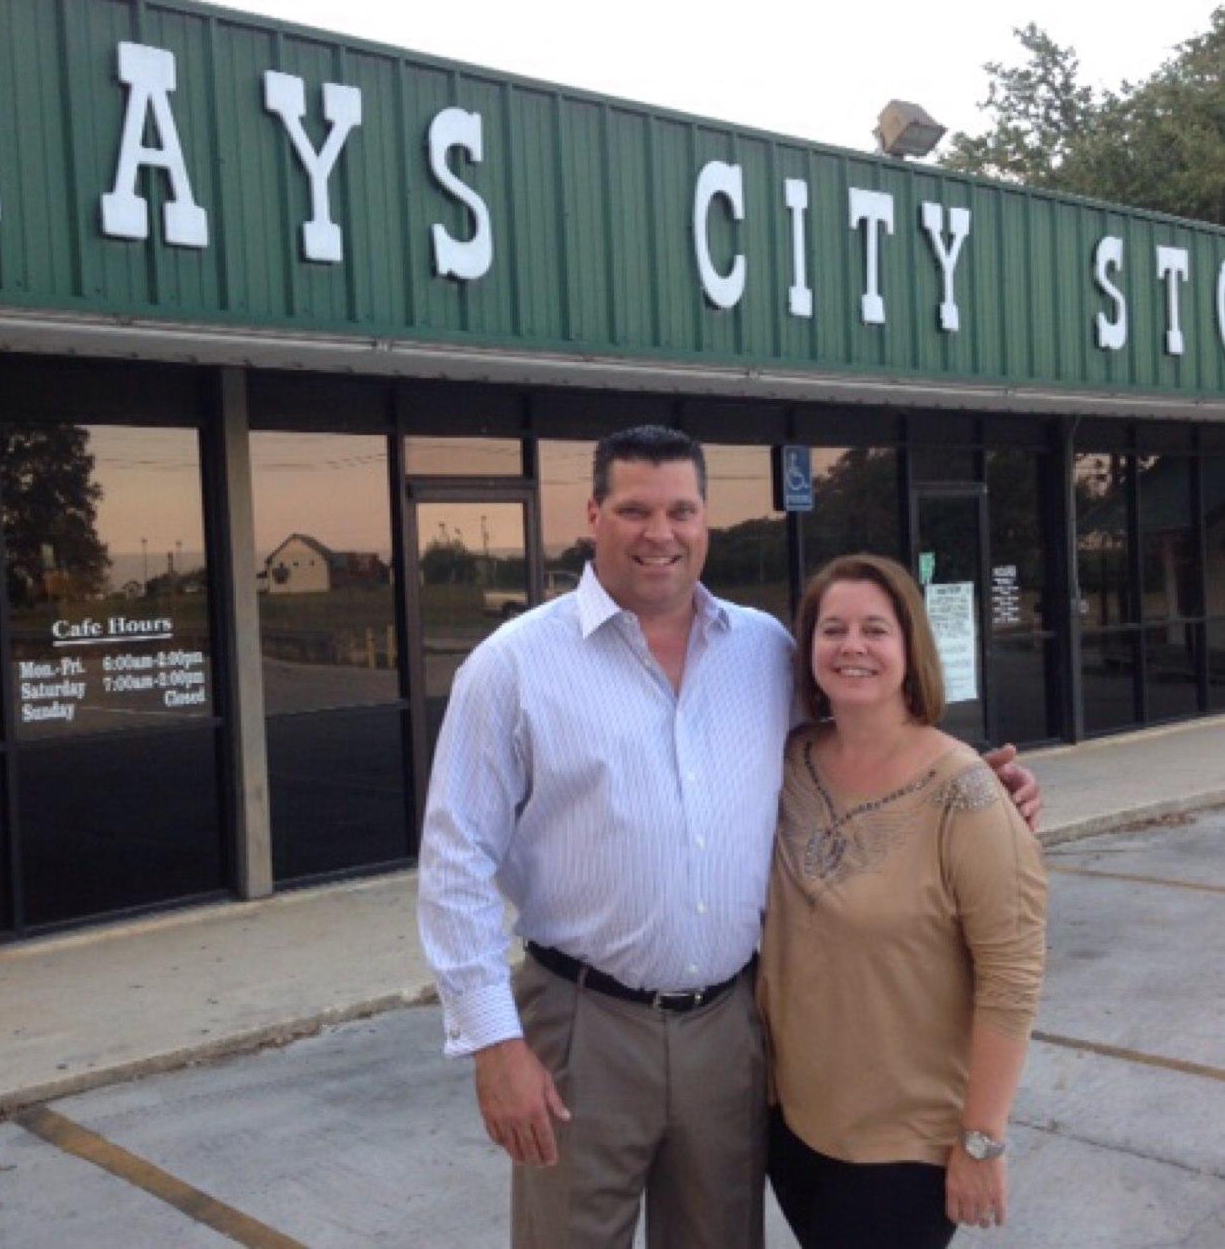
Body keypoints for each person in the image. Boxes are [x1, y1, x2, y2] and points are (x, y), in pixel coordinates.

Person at [417, 427, 1041, 1249]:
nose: (659, 532)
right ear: (593, 513)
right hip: (581, 1028)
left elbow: (865, 742)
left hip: (730, 1030)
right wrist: (495, 1044)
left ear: (706, 518)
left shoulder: (764, 651)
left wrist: (977, 788)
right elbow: (454, 865)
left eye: (681, 509)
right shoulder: (514, 668)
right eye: (635, 508)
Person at [757, 553, 1048, 1249]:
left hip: (906, 1149)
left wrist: (982, 1141)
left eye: (874, 630)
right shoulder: (785, 761)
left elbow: (1011, 978)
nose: (851, 646)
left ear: (910, 646)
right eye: (832, 629)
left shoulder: (967, 793)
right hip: (792, 1128)